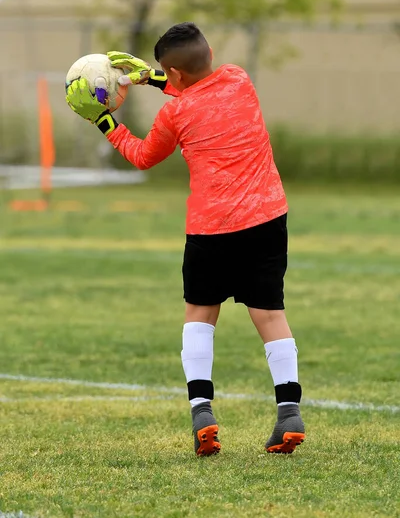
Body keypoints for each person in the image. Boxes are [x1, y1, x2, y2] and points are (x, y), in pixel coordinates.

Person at [66, 22, 306, 456]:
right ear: (210, 51)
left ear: (174, 74)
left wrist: (103, 119)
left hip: (211, 227)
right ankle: (289, 411)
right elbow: (192, 87)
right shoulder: (239, 78)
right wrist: (152, 76)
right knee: (270, 315)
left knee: (200, 315)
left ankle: (202, 413)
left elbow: (142, 156)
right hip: (267, 217)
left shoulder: (175, 113)